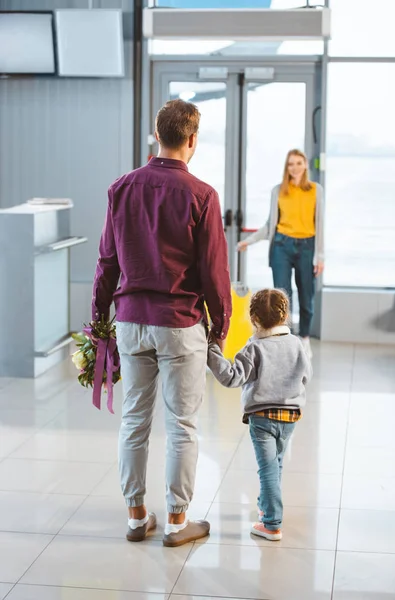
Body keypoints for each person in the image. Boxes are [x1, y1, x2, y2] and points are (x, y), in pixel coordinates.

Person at [92, 99, 232, 547]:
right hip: (180, 321)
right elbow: (214, 272)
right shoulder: (202, 195)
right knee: (182, 425)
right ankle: (176, 521)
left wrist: (99, 321)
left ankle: (136, 517)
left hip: (132, 320)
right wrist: (220, 325)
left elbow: (106, 262)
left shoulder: (121, 189)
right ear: (192, 140)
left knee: (134, 418)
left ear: (157, 134)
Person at [207, 288, 312, 541]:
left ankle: (272, 523)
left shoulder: (254, 347)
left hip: (262, 418)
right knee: (275, 464)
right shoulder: (296, 344)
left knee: (266, 469)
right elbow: (306, 376)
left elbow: (231, 377)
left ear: (254, 320)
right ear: (285, 316)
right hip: (290, 417)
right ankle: (266, 506)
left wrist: (211, 350)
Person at [237, 150, 324, 357]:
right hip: (281, 246)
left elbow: (319, 223)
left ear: (305, 165)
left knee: (306, 295)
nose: (295, 167)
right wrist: (248, 241)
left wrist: (319, 256)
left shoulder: (315, 190)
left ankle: (304, 338)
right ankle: (287, 338)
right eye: (291, 164)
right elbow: (270, 226)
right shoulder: (278, 191)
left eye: (299, 163)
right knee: (282, 296)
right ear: (287, 167)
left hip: (307, 246)